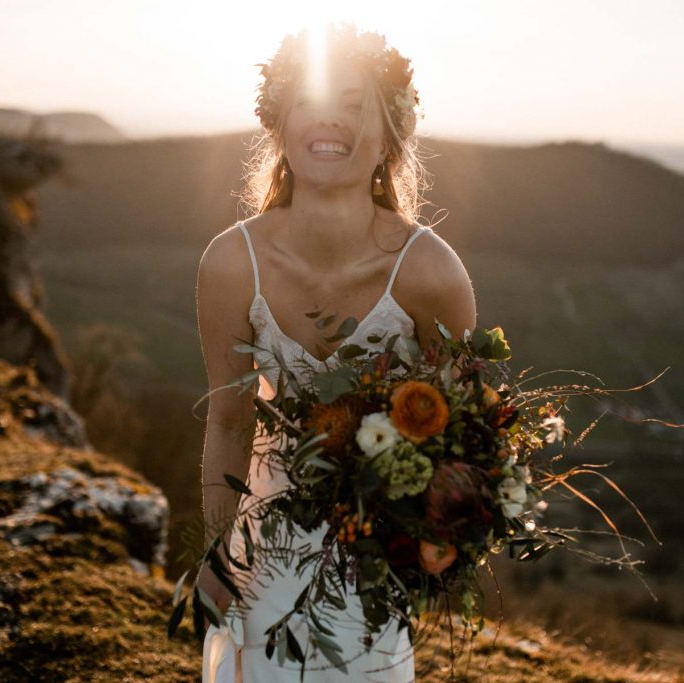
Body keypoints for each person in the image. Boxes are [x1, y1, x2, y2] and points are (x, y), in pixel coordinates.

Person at [194, 24, 477, 682]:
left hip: (371, 562)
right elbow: (230, 420)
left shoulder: (432, 274)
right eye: (311, 102)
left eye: (354, 105)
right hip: (261, 545)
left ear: (389, 138)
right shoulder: (231, 262)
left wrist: (431, 540)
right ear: (282, 127)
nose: (329, 120)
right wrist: (216, 550)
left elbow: (461, 436)